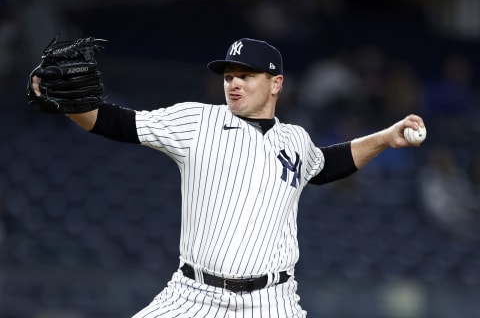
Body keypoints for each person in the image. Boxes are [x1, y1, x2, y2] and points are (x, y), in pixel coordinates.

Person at [30, 38, 425, 318]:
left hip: (272, 300)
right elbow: (115, 123)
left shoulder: (295, 139)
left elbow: (327, 165)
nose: (233, 83)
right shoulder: (196, 121)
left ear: (276, 84)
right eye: (229, 75)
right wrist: (69, 104)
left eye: (246, 75)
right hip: (192, 296)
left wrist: (386, 138)